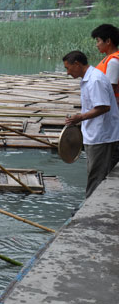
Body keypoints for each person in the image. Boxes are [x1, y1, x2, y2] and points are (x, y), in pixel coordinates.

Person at [63, 51, 119, 198]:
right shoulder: (89, 78)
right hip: (94, 133)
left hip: (102, 135)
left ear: (77, 64)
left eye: (68, 68)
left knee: (97, 174)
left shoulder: (95, 80)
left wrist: (79, 117)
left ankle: (90, 206)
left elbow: (104, 107)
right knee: (94, 172)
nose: (68, 73)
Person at [91, 24, 119, 107]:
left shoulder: (113, 62)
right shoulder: (109, 59)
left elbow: (110, 90)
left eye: (98, 41)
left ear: (108, 41)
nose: (97, 45)